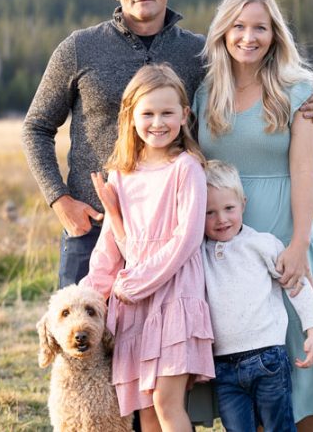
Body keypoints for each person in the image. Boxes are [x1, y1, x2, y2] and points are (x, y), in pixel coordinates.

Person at [21, 0, 313, 291]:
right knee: (81, 340)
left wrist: (306, 95)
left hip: (173, 234)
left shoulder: (199, 54)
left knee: (165, 340)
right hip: (94, 223)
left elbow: (252, 72)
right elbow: (36, 128)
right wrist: (59, 200)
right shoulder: (79, 48)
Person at [192, 0, 313, 431]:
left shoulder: (298, 90)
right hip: (225, 241)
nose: (249, 37)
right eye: (239, 27)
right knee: (244, 352)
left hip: (284, 229)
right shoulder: (206, 93)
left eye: (260, 27)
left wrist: (300, 242)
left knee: (297, 357)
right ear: (224, 32)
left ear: (275, 34)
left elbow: (304, 170)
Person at [80, 63, 215, 432]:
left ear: (184, 115)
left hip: (173, 296)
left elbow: (186, 239)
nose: (158, 122)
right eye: (148, 113)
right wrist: (91, 295)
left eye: (167, 113)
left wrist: (138, 283)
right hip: (133, 307)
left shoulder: (186, 168)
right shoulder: (122, 172)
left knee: (166, 401)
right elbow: (113, 244)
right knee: (145, 410)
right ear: (131, 117)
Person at [203, 159, 313, 432]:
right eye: (210, 212)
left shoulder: (262, 244)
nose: (221, 219)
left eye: (229, 208)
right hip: (224, 368)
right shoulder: (200, 253)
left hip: (268, 359)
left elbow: (297, 286)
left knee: (279, 427)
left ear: (243, 204)